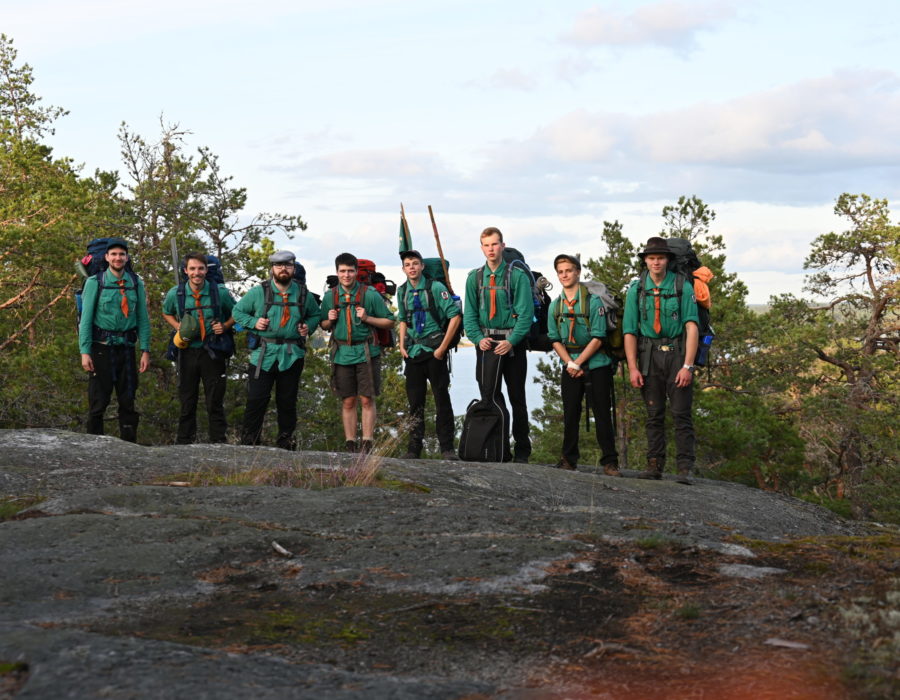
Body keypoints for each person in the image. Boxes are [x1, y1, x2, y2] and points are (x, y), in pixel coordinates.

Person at [623, 236, 700, 484]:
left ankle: (685, 468)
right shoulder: (636, 289)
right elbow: (629, 331)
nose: (656, 262)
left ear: (667, 260)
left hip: (677, 353)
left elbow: (691, 326)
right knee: (653, 413)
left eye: (660, 258)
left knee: (681, 413)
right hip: (649, 355)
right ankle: (654, 464)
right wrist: (633, 367)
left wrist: (688, 366)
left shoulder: (682, 286)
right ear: (645, 261)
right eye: (652, 258)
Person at [231, 250, 321, 450]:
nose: (283, 269)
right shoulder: (258, 292)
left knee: (287, 402)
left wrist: (308, 326)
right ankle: (249, 444)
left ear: (293, 268)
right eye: (279, 266)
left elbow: (315, 315)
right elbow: (237, 312)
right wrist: (254, 322)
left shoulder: (303, 293)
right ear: (272, 268)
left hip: (292, 354)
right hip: (263, 354)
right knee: (256, 400)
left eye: (287, 265)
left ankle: (286, 444)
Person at [462, 227, 533, 463]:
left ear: (502, 246)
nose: (491, 249)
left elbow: (525, 314)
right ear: (481, 248)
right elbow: (469, 314)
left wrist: (511, 342)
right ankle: (496, 448)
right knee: (489, 396)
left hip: (512, 345)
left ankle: (522, 449)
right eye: (486, 245)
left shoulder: (518, 277)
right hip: (485, 343)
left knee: (516, 397)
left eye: (495, 244)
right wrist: (477, 338)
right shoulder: (475, 277)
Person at [548, 254, 620, 475]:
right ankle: (568, 459)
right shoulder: (555, 306)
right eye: (561, 272)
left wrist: (576, 363)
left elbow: (598, 337)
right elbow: (554, 339)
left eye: (569, 270)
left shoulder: (594, 302)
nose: (565, 275)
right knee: (570, 413)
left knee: (601, 413)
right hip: (570, 363)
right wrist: (570, 363)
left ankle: (610, 462)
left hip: (596, 363)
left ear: (578, 272)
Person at [319, 252, 395, 454]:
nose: (346, 275)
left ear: (356, 272)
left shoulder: (369, 294)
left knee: (367, 398)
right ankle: (351, 444)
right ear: (337, 272)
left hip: (367, 351)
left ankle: (367, 443)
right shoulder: (330, 296)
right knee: (348, 400)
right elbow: (324, 324)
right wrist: (329, 319)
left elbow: (389, 321)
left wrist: (368, 318)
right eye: (342, 271)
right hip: (342, 352)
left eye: (350, 271)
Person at [78, 239, 151, 442]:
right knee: (98, 401)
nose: (118, 258)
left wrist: (145, 349)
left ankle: (129, 445)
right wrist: (85, 352)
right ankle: (94, 445)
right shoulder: (95, 282)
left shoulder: (135, 282)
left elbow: (143, 318)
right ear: (107, 257)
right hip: (101, 348)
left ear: (126, 258)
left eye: (121, 254)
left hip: (127, 349)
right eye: (114, 254)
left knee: (128, 400)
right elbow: (86, 320)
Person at [162, 252, 236, 444]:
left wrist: (225, 326)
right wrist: (178, 327)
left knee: (215, 400)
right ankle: (184, 442)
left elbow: (236, 313)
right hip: (187, 351)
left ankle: (218, 442)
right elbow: (166, 312)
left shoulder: (219, 293)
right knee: (187, 399)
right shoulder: (176, 293)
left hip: (213, 351)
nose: (197, 273)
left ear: (206, 270)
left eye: (201, 268)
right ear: (185, 271)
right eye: (192, 269)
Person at [396, 250, 461, 460]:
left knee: (442, 399)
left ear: (422, 266)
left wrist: (442, 348)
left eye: (415, 263)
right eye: (408, 264)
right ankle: (413, 448)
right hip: (413, 353)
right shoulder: (402, 290)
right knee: (415, 402)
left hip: (435, 351)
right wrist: (401, 344)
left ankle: (447, 448)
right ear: (403, 268)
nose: (412, 267)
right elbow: (404, 318)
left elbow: (455, 316)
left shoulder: (436, 287)